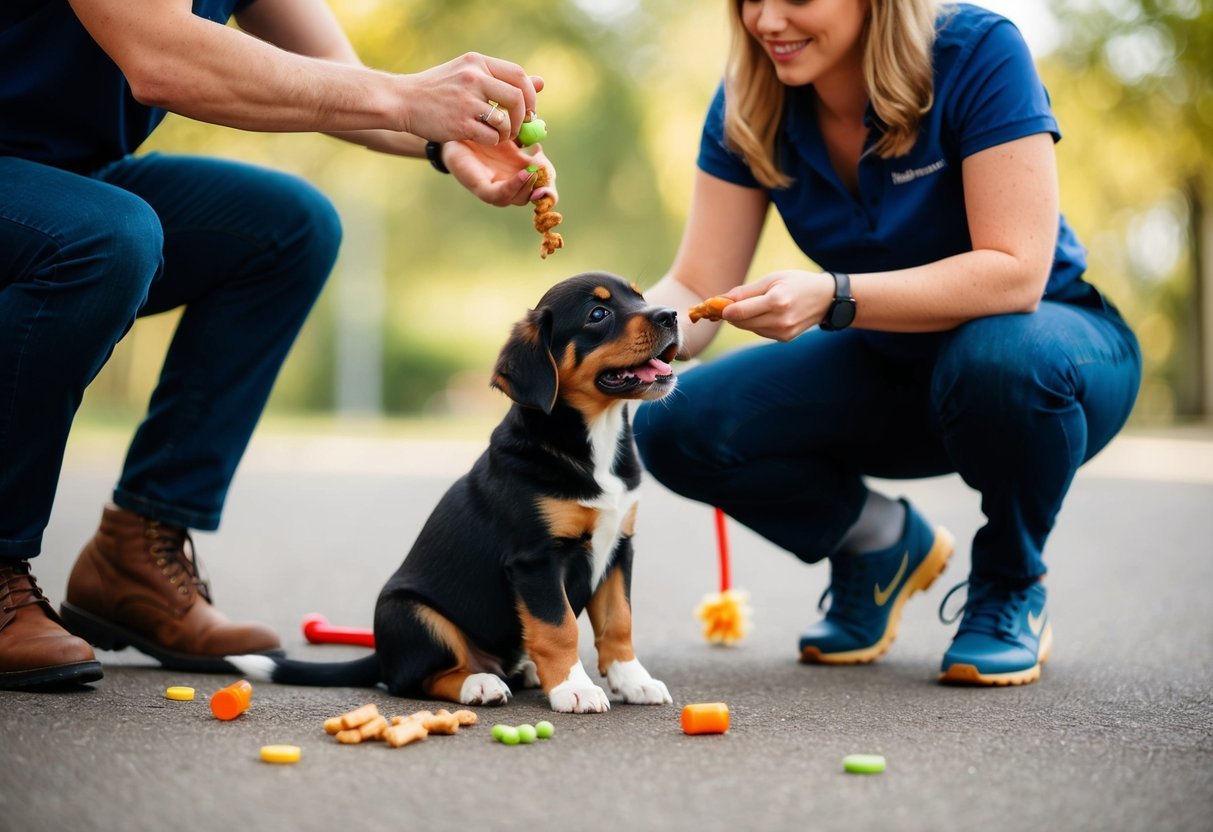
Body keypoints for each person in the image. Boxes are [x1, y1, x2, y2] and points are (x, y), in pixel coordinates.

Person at [0, 0, 556, 690]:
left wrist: (451, 138)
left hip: (63, 177)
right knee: (103, 237)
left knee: (287, 227)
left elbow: (338, 81)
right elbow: (162, 59)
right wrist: (410, 97)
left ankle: (134, 558)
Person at [632, 0, 1141, 686]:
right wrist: (610, 331)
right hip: (888, 364)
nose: (766, 20)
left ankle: (1009, 583)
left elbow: (1015, 273)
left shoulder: (977, 51)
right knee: (676, 423)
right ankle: (878, 544)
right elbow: (695, 284)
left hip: (1048, 359)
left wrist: (835, 296)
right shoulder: (748, 101)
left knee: (996, 358)